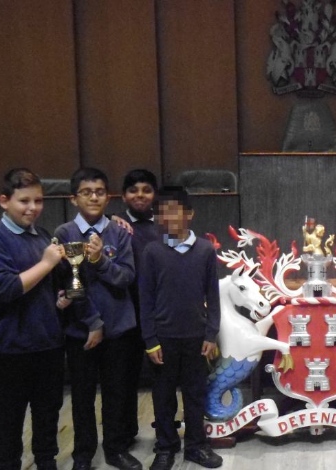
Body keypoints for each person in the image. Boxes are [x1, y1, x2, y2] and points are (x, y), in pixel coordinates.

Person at [0, 169, 68, 470]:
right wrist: (46, 263)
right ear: (4, 201)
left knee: (48, 411)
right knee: (10, 413)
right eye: (24, 201)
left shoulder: (41, 235)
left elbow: (46, 288)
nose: (33, 208)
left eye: (38, 200)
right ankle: (8, 464)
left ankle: (45, 460)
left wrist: (61, 299)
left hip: (47, 343)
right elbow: (5, 289)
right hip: (9, 347)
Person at [55, 168, 141, 470]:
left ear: (108, 197)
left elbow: (127, 277)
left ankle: (116, 449)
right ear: (74, 198)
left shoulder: (119, 232)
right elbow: (68, 285)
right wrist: (92, 321)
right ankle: (83, 455)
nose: (94, 197)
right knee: (82, 397)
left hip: (119, 329)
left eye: (100, 192)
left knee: (117, 393)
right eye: (86, 192)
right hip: (82, 332)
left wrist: (100, 261)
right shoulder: (65, 234)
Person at [139, 187, 223, 470]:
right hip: (163, 338)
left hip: (196, 337)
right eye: (162, 211)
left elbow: (213, 295)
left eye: (175, 210)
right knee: (163, 397)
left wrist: (211, 333)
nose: (169, 217)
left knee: (195, 394)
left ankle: (196, 446)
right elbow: (146, 298)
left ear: (189, 214)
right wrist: (150, 340)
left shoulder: (205, 250)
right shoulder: (152, 252)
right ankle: (166, 446)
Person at [115, 169, 160, 447]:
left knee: (164, 380)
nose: (140, 195)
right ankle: (124, 436)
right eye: (133, 190)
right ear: (123, 196)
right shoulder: (114, 227)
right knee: (123, 379)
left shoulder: (167, 227)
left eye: (146, 190)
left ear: (155, 195)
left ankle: (166, 435)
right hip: (127, 314)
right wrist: (109, 220)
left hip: (159, 315)